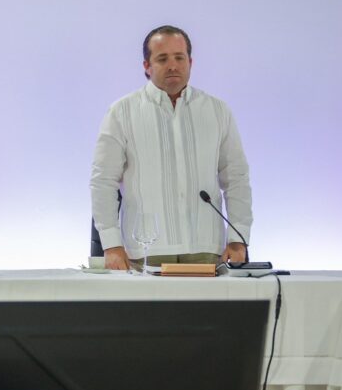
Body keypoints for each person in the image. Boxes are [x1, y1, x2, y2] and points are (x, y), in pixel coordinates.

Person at [90, 25, 252, 271]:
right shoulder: (122, 112)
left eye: (179, 57)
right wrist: (111, 245)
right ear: (147, 65)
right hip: (145, 252)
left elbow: (237, 179)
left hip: (206, 252)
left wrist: (238, 239)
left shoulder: (217, 111)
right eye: (162, 59)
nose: (173, 65)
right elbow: (103, 181)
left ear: (190, 61)